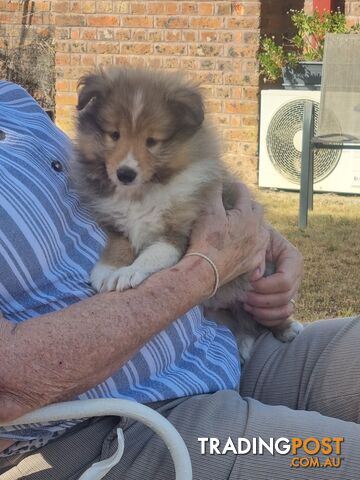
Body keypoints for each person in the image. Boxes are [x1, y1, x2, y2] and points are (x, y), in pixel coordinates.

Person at [0, 80, 359, 480]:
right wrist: (205, 269)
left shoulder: (10, 100)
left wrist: (252, 236)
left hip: (221, 344)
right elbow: (10, 383)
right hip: (120, 425)